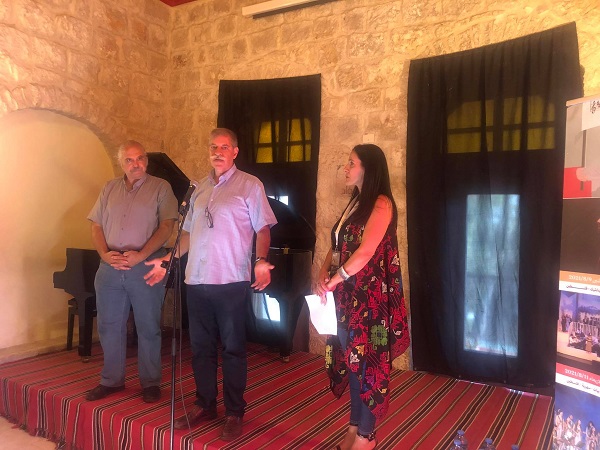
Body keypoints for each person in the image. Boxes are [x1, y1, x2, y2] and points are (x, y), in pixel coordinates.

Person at [144, 128, 277, 441]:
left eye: (224, 147)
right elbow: (188, 234)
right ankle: (205, 404)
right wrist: (167, 261)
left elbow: (263, 228)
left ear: (235, 151)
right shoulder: (198, 189)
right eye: (213, 147)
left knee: (233, 350)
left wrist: (260, 260)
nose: (218, 152)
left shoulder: (250, 185)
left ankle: (234, 412)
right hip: (197, 281)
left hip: (230, 281)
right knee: (201, 349)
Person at [315, 144, 410, 450]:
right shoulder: (356, 202)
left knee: (367, 369)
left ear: (368, 169)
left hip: (369, 303)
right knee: (354, 365)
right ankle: (355, 428)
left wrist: (336, 278)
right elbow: (338, 244)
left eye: (351, 163)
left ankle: (366, 436)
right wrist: (323, 273)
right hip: (346, 299)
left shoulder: (381, 203)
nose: (345, 167)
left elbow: (366, 250)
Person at [85, 140, 178, 403]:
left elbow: (167, 226)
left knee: (148, 327)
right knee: (109, 327)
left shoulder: (161, 187)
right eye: (129, 159)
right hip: (110, 266)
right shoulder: (109, 188)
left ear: (146, 160)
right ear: (121, 163)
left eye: (140, 158)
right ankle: (111, 380)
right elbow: (96, 226)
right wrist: (104, 254)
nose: (136, 164)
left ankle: (150, 383)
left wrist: (141, 255)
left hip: (144, 266)